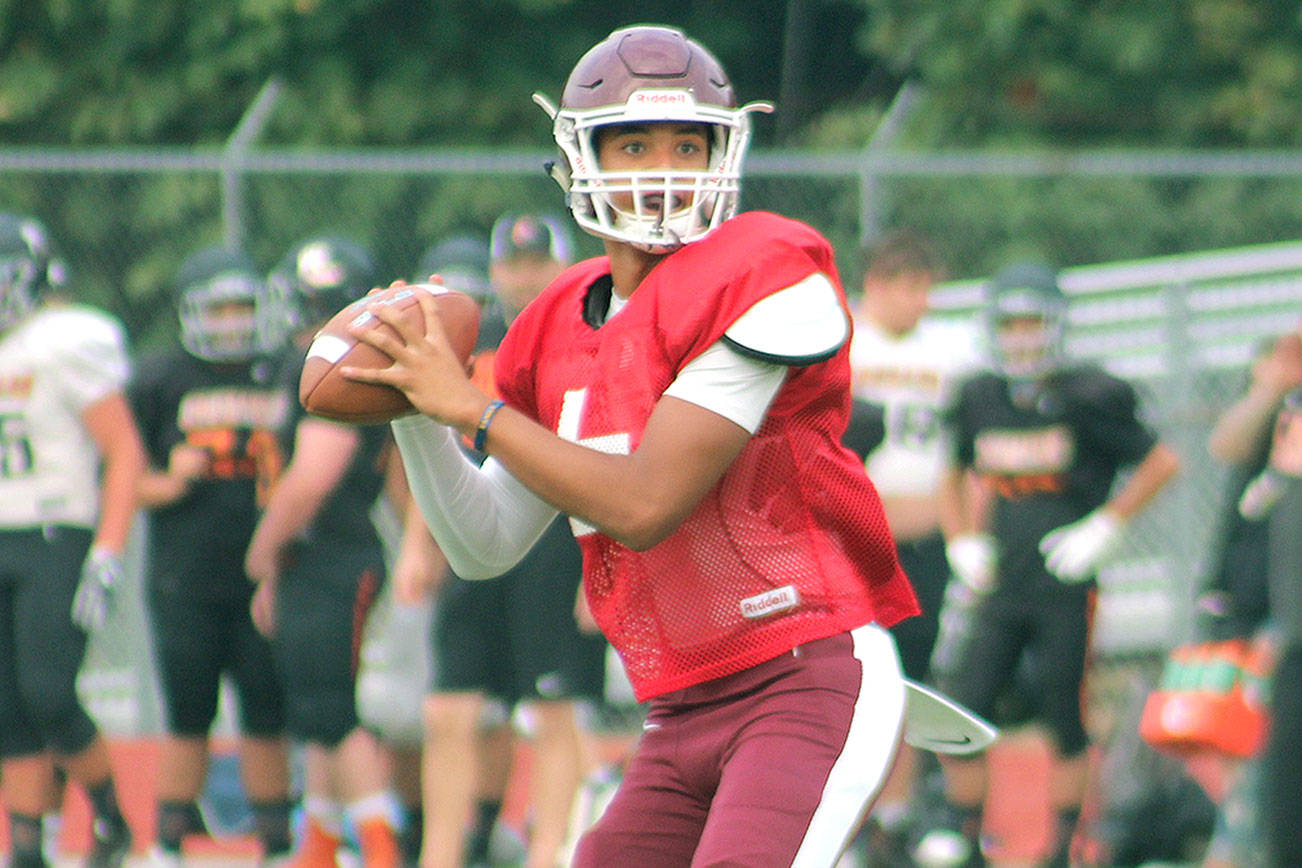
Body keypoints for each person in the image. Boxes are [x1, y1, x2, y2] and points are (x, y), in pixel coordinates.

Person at [344, 24, 920, 868]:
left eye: (690, 143)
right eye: (634, 143)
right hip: (680, 709)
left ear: (726, 154)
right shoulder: (556, 320)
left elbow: (646, 504)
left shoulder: (767, 272)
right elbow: (486, 542)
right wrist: (412, 405)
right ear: (580, 159)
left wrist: (471, 409)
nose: (665, 167)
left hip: (805, 676)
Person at [922, 262, 1181, 868]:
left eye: (1032, 323)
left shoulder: (1087, 395)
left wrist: (1107, 523)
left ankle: (1062, 846)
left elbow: (1163, 461)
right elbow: (951, 470)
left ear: (1056, 327)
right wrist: (961, 538)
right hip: (1000, 584)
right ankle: (967, 837)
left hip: (1066, 585)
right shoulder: (979, 395)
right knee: (964, 711)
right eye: (1010, 324)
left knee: (1064, 716)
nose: (1022, 338)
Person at [401, 215, 607, 868]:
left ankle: (549, 851)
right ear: (494, 272)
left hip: (555, 539)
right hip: (478, 526)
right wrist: (417, 544)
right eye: (513, 264)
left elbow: (608, 454)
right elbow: (442, 453)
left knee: (552, 709)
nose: (524, 276)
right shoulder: (471, 340)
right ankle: (442, 854)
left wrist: (601, 562)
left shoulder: (587, 336)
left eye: (536, 262)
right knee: (449, 710)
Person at [128, 245, 294, 867]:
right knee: (187, 712)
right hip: (185, 575)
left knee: (265, 710)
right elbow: (122, 477)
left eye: (241, 306)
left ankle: (276, 842)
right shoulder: (159, 378)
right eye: (217, 307)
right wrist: (167, 483)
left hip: (265, 573)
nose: (230, 320)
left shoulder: (283, 370)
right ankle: (169, 840)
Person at [246, 234, 405, 868]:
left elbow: (313, 477)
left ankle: (379, 843)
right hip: (323, 558)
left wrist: (262, 554)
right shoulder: (344, 357)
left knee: (334, 710)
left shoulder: (336, 361)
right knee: (316, 704)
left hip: (332, 556)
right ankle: (320, 841)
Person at [0, 212, 146, 868]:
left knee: (52, 693)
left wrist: (108, 551)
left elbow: (125, 450)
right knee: (8, 706)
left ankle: (112, 818)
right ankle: (28, 848)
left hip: (57, 534)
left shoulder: (64, 340)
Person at [844, 228, 983, 865]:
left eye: (922, 286)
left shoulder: (953, 352)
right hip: (852, 537)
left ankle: (902, 818)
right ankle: (857, 815)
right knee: (854, 681)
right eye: (900, 286)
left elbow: (969, 455)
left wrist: (967, 536)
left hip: (925, 540)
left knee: (913, 682)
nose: (913, 300)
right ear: (873, 287)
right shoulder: (841, 344)